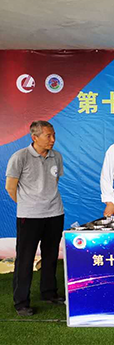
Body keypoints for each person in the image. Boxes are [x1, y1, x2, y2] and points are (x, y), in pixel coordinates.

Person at [5, 121, 65, 316]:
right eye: (48, 136)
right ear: (34, 137)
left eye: (53, 135)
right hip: (29, 216)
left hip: (55, 213)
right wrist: (27, 204)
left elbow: (54, 181)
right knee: (25, 259)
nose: (52, 139)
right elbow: (10, 187)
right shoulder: (20, 157)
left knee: (50, 255)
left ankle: (49, 293)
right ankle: (21, 302)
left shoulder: (56, 156)